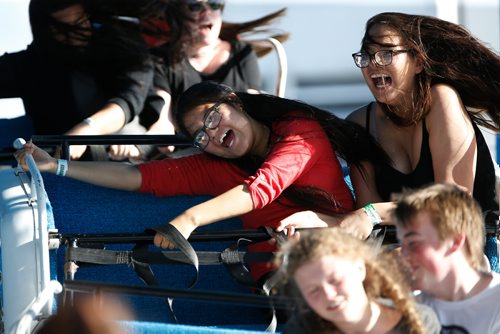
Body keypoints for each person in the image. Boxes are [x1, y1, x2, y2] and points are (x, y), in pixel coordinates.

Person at [15, 81, 386, 283]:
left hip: (341, 261)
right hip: (278, 282)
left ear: (235, 102)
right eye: (199, 136)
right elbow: (142, 177)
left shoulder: (298, 130)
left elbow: (263, 187)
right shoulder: (220, 165)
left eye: (212, 117)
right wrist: (58, 167)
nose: (211, 135)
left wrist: (190, 219)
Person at [276, 12, 500, 239]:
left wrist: (372, 214)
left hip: (467, 246)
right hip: (403, 251)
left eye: (386, 53)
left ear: (419, 62)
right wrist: (319, 222)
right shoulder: (358, 124)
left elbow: (452, 203)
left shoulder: (442, 99)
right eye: (366, 56)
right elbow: (371, 223)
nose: (373, 64)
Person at [0, 0, 186, 160]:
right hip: (55, 165)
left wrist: (84, 132)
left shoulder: (121, 46)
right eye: (67, 26)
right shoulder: (29, 65)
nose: (83, 29)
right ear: (47, 29)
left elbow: (129, 100)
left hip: (126, 152)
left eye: (82, 20)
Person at [108, 0, 288, 160]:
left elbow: (253, 103)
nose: (206, 12)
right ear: (177, 14)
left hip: (237, 156)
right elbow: (164, 118)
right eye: (195, 6)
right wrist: (138, 144)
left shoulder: (242, 54)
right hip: (189, 156)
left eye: (214, 4)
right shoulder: (161, 59)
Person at [276, 228, 440, 334]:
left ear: (360, 269)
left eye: (335, 280)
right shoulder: (301, 329)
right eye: (313, 290)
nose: (329, 295)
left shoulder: (417, 321)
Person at [393, 183, 500, 333]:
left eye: (413, 243)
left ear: (455, 241)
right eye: (402, 244)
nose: (403, 254)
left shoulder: (495, 303)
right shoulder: (412, 305)